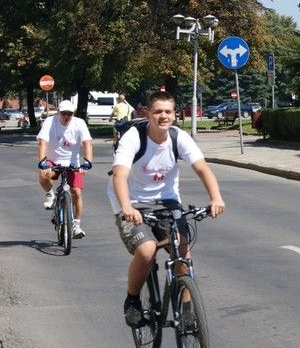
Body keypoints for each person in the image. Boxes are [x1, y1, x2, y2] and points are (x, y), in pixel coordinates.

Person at [108, 90, 225, 327]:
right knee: (147, 250)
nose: (164, 116)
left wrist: (216, 198)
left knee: (182, 250)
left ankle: (187, 307)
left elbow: (202, 168)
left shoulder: (178, 137)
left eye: (168, 111)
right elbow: (120, 174)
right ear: (148, 113)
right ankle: (132, 300)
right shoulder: (134, 137)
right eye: (158, 111)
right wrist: (127, 206)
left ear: (174, 114)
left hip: (167, 202)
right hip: (133, 202)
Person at [37, 100, 93, 238]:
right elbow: (43, 142)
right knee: (43, 174)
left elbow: (87, 143)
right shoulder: (50, 122)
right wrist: (42, 162)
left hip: (72, 163)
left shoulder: (79, 123)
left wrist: (87, 162)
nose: (67, 116)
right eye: (64, 113)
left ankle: (76, 226)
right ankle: (51, 195)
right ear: (58, 113)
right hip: (53, 160)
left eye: (70, 113)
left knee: (76, 193)